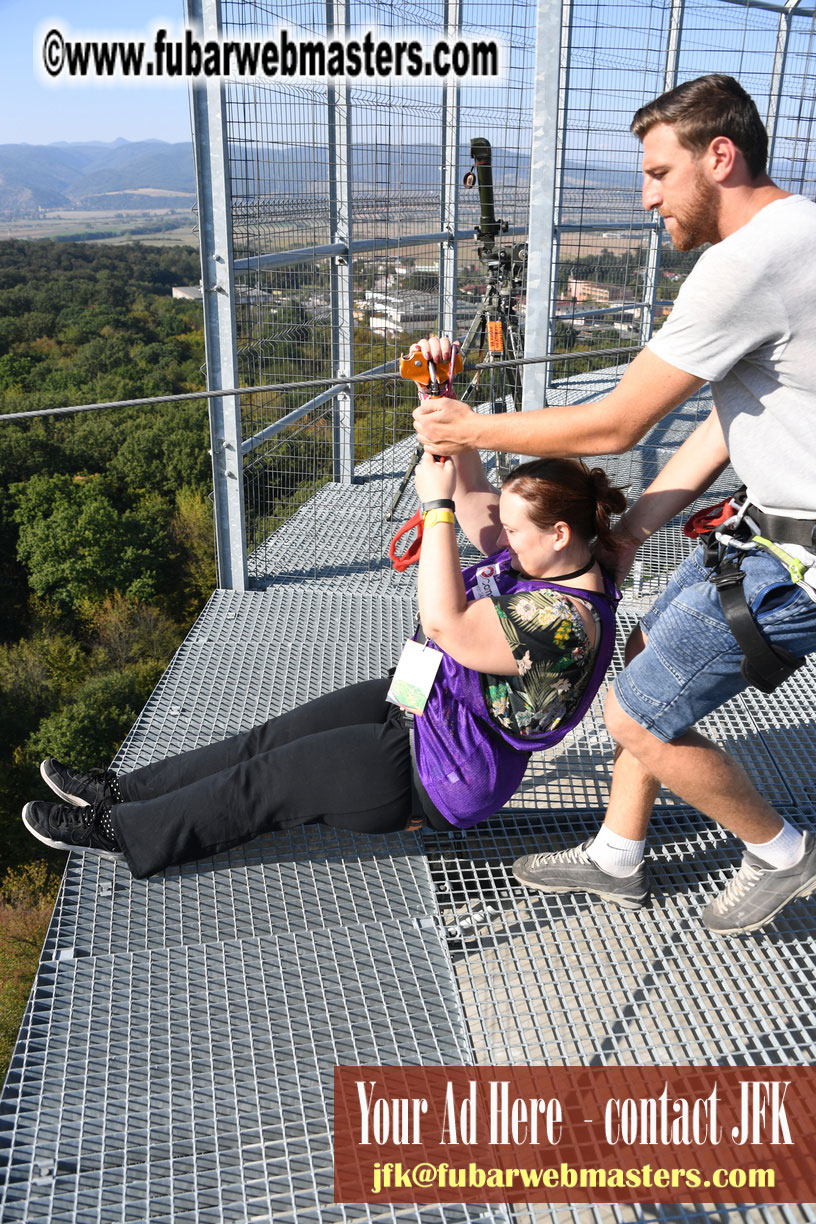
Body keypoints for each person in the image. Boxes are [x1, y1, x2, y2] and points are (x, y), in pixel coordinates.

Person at [413, 74, 816, 935]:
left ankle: (780, 852)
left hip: (798, 554)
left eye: (659, 173)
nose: (647, 198)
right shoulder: (802, 233)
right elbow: (734, 416)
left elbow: (619, 422)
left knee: (636, 713)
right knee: (641, 657)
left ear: (720, 156)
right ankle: (618, 855)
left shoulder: (745, 263)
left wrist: (470, 425)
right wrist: (632, 530)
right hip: (774, 528)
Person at [22, 449, 623, 879]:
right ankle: (122, 791)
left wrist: (435, 507)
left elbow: (447, 623)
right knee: (264, 741)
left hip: (438, 768)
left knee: (263, 783)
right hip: (420, 698)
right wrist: (441, 410)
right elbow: (473, 496)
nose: (502, 538)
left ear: (558, 533)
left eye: (514, 530)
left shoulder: (565, 624)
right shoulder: (547, 557)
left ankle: (122, 833)